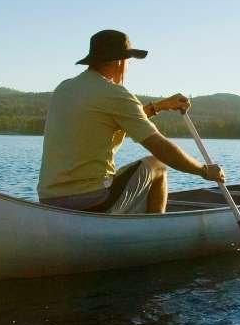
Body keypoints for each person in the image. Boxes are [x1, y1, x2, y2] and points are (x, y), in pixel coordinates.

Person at [38, 29, 224, 214]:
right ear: (119, 61)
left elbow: (116, 118)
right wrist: (203, 170)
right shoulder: (113, 93)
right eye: (128, 61)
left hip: (49, 200)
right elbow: (159, 146)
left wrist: (160, 106)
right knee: (157, 166)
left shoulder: (64, 88)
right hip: (92, 200)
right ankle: (155, 231)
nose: (127, 67)